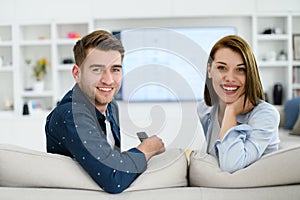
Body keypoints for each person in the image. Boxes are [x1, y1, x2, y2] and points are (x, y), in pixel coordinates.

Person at [45, 30, 165, 194]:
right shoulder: (71, 114)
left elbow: (111, 159)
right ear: (77, 74)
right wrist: (147, 148)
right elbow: (113, 177)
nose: (108, 80)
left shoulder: (111, 106)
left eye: (115, 69)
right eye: (97, 70)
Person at [198, 35, 280, 173]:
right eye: (222, 68)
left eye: (240, 69)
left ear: (250, 74)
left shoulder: (266, 115)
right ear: (209, 70)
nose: (230, 78)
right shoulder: (204, 109)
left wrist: (231, 112)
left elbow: (231, 166)